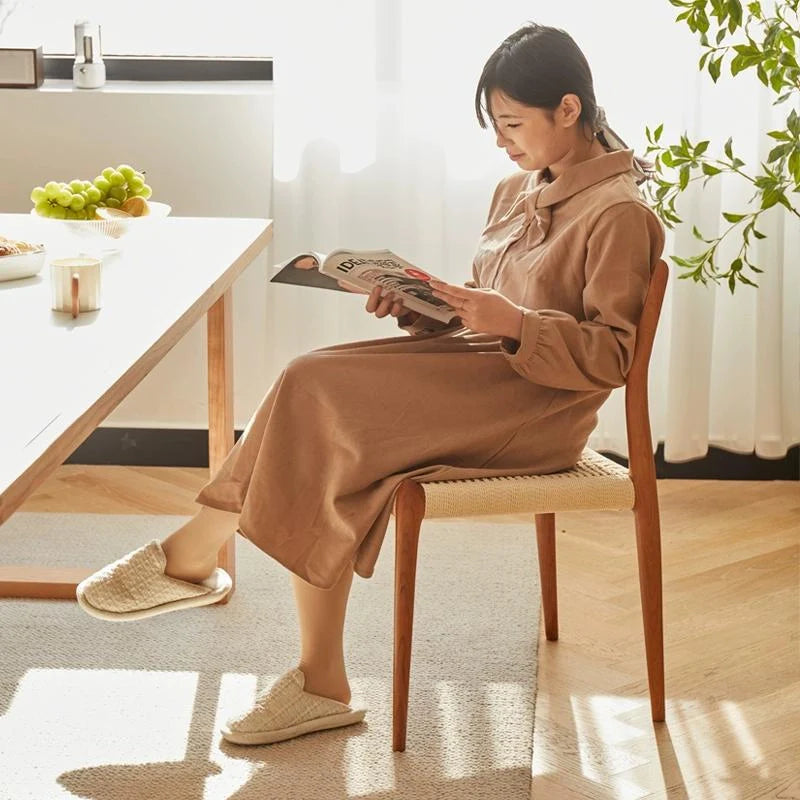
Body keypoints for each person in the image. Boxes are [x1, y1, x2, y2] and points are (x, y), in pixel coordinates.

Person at [76, 22, 665, 747]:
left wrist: (512, 322)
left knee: (317, 391)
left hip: (537, 413)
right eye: (496, 126)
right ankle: (306, 667)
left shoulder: (621, 214)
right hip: (479, 374)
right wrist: (422, 308)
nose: (502, 143)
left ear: (567, 110)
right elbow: (482, 307)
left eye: (512, 124)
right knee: (314, 391)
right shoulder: (519, 188)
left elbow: (612, 357)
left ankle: (204, 564)